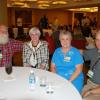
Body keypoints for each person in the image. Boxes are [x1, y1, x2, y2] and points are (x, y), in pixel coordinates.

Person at [82, 30, 100, 100]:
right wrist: (67, 48)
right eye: (97, 39)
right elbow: (82, 52)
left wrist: (90, 91)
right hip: (89, 83)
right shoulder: (95, 50)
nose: (99, 42)